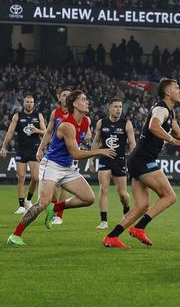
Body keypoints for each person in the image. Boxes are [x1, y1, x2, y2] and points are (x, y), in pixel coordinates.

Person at [103, 78, 180, 248]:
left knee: (141, 206)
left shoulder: (170, 113)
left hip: (137, 160)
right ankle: (139, 228)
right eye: (176, 88)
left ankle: (111, 237)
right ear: (168, 93)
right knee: (170, 196)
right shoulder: (160, 109)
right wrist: (173, 141)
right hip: (143, 160)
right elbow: (153, 126)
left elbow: (179, 133)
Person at [7, 90, 116, 246]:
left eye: (86, 99)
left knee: (88, 198)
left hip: (67, 166)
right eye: (83, 99)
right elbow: (76, 153)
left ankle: (55, 207)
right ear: (74, 104)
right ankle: (15, 235)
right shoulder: (66, 125)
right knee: (42, 203)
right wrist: (100, 151)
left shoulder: (86, 121)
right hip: (51, 164)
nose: (87, 102)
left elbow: (86, 137)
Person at [89, 98, 137, 230]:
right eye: (115, 106)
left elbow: (132, 143)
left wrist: (134, 158)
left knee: (122, 193)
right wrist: (91, 159)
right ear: (109, 109)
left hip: (119, 160)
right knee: (103, 189)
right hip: (104, 159)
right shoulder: (101, 123)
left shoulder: (126, 124)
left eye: (120, 107)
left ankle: (126, 209)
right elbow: (96, 141)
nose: (118, 109)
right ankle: (104, 221)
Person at [0, 94, 46, 214]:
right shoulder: (17, 116)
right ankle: (21, 206)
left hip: (34, 150)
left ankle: (28, 199)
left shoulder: (38, 115)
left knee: (35, 178)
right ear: (23, 103)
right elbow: (10, 132)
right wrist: (4, 147)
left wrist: (37, 131)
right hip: (21, 150)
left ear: (34, 104)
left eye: (31, 102)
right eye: (27, 102)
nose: (29, 104)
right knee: (21, 178)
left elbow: (46, 132)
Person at [36, 88, 72, 226]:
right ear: (59, 98)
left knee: (64, 186)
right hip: (55, 155)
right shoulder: (55, 113)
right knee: (53, 186)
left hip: (70, 154)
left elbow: (87, 134)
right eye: (64, 95)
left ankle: (59, 215)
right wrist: (41, 148)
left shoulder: (76, 114)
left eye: (69, 95)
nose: (66, 97)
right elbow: (49, 132)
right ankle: (53, 206)